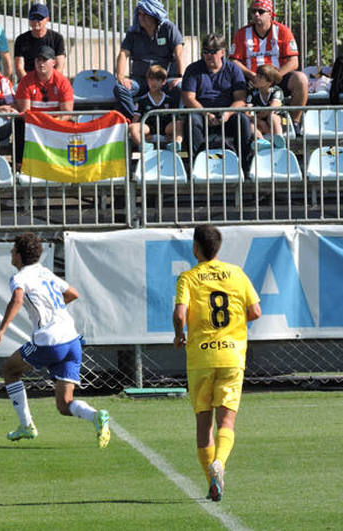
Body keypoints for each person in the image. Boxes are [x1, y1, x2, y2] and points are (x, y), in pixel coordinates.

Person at [0, 232, 110, 448]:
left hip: (50, 342)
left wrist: (1, 330)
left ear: (20, 255)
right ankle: (96, 416)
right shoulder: (44, 272)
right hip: (71, 340)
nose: (11, 253)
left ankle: (26, 425)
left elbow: (17, 299)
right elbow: (73, 293)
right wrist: (53, 309)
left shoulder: (20, 277)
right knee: (64, 404)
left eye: (13, 250)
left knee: (10, 370)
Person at [173, 225, 261, 501]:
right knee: (227, 420)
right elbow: (255, 311)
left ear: (195, 248)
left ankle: (212, 481)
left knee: (203, 423)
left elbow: (179, 314)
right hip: (232, 356)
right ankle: (220, 463)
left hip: (201, 357)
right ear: (218, 248)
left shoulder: (188, 278)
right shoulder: (236, 273)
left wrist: (180, 334)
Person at [230, 0, 308, 132]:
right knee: (235, 84)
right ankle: (252, 126)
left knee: (301, 79)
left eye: (260, 11)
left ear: (270, 14)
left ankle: (295, 123)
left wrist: (272, 77)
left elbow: (294, 62)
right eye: (253, 11)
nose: (256, 15)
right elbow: (233, 61)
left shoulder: (283, 31)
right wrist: (252, 75)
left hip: (277, 78)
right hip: (252, 79)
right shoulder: (242, 33)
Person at [181, 34, 253, 172]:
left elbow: (240, 99)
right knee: (192, 121)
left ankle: (244, 165)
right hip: (201, 114)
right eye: (205, 51)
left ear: (222, 52)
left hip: (227, 115)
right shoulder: (193, 69)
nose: (208, 55)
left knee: (242, 120)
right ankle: (197, 165)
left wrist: (227, 114)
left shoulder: (233, 69)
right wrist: (205, 114)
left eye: (213, 52)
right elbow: (188, 98)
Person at [113, 0, 184, 121]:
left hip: (165, 79)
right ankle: (139, 121)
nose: (141, 18)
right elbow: (123, 54)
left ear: (154, 15)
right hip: (141, 80)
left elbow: (179, 52)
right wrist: (120, 77)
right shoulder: (133, 32)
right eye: (139, 14)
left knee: (180, 87)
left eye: (145, 14)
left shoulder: (168, 28)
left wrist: (180, 76)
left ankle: (175, 122)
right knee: (120, 89)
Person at [14, 45, 74, 164]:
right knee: (19, 124)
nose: (41, 63)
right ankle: (20, 165)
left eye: (45, 60)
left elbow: (67, 112)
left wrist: (52, 123)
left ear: (53, 62)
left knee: (70, 124)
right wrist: (41, 124)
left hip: (56, 122)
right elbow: (25, 112)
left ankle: (67, 165)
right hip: (34, 123)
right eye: (38, 60)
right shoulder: (26, 81)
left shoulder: (63, 81)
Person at [129, 65, 183, 151]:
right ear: (147, 81)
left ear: (164, 81)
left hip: (166, 129)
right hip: (148, 129)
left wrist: (171, 136)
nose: (153, 82)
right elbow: (135, 120)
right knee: (132, 127)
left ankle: (176, 144)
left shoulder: (170, 100)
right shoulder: (141, 100)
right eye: (151, 79)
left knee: (179, 124)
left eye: (157, 80)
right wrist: (139, 134)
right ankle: (143, 145)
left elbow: (175, 120)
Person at [14, 3, 66, 81]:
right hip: (28, 82)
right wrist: (30, 85)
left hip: (51, 82)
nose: (35, 21)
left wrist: (48, 85)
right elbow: (19, 67)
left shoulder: (57, 38)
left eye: (39, 18)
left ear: (47, 19)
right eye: (32, 17)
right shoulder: (21, 40)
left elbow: (59, 67)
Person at [246, 64, 285, 146]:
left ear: (269, 82)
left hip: (279, 124)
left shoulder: (277, 91)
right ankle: (263, 143)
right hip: (260, 123)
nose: (255, 78)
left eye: (260, 77)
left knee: (272, 117)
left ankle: (280, 141)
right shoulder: (253, 92)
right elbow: (247, 112)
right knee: (250, 125)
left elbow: (272, 108)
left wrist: (258, 119)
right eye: (256, 75)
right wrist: (259, 121)